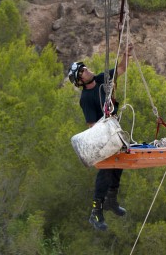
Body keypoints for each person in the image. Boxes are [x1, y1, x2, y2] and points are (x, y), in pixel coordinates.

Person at [68, 45, 133, 231]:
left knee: (119, 164)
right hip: (102, 136)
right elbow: (91, 126)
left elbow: (121, 69)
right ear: (80, 80)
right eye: (82, 71)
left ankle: (111, 200)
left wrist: (126, 54)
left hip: (113, 130)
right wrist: (107, 128)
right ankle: (96, 213)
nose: (87, 70)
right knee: (105, 171)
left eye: (85, 68)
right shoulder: (86, 98)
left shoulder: (101, 79)